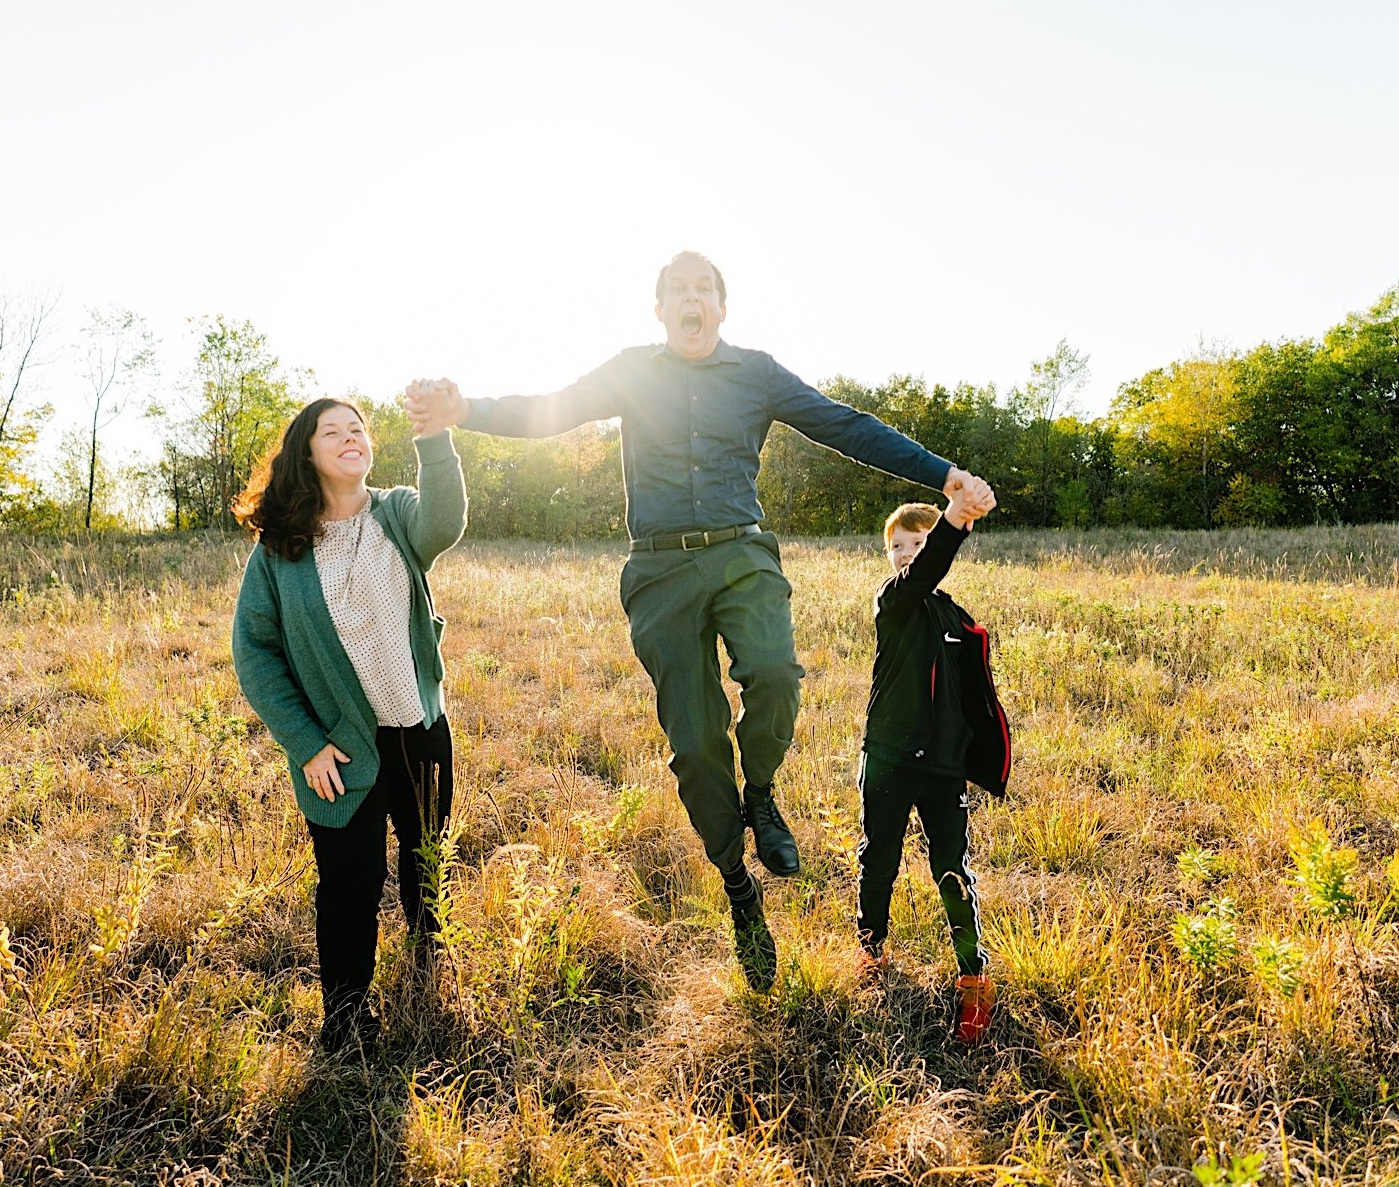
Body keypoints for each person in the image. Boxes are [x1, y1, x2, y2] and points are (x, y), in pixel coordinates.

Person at [404, 251, 995, 991]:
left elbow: (846, 426)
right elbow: (549, 408)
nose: (691, 300)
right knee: (694, 742)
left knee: (775, 675)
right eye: (677, 291)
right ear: (659, 310)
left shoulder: (756, 373)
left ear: (721, 306)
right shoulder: (631, 370)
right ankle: (738, 886)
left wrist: (942, 475)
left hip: (742, 553)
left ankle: (764, 794)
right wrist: (469, 412)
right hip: (659, 570)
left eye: (703, 289)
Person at [230, 397, 467, 1055]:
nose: (349, 437)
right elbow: (254, 650)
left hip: (418, 729)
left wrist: (435, 436)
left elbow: (445, 521)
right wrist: (306, 744)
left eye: (357, 428)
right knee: (348, 887)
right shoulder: (281, 548)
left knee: (426, 864)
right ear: (307, 453)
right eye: (331, 431)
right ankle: (344, 1022)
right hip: (340, 749)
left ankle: (427, 972)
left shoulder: (396, 513)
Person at [857, 496, 1012, 1044]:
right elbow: (926, 573)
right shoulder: (891, 603)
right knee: (879, 860)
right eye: (897, 547)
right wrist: (953, 523)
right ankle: (870, 952)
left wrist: (977, 752)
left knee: (951, 868)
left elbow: (974, 694)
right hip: (889, 760)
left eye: (917, 543)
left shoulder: (955, 616)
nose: (905, 554)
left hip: (942, 767)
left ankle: (973, 977)